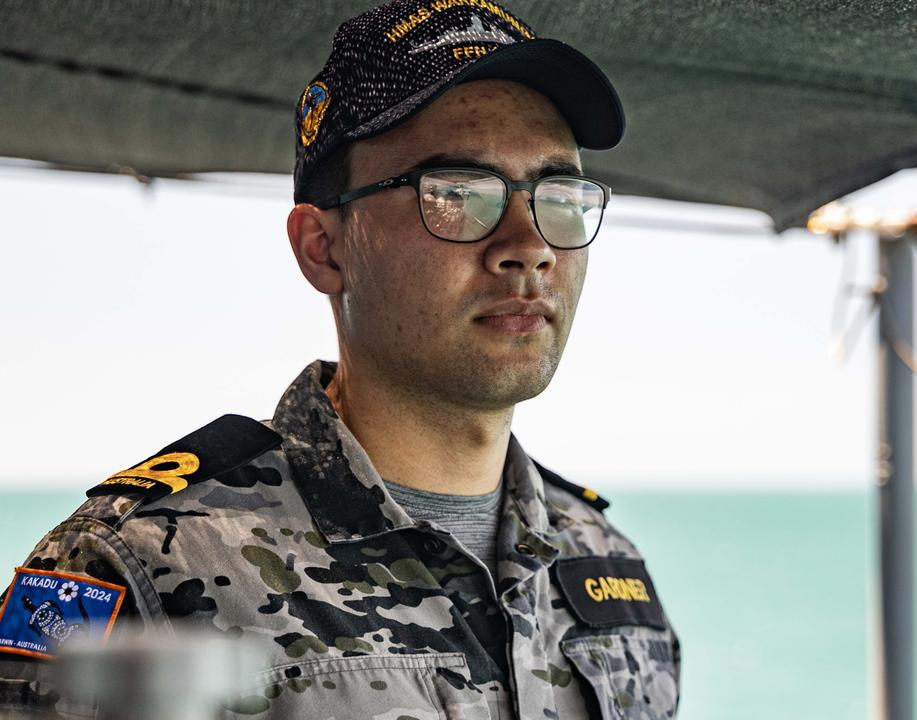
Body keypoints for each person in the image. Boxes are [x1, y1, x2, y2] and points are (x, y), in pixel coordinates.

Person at [0, 2, 680, 718]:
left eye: (559, 194)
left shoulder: (607, 571)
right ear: (323, 248)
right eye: (455, 194)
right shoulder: (137, 568)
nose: (530, 243)